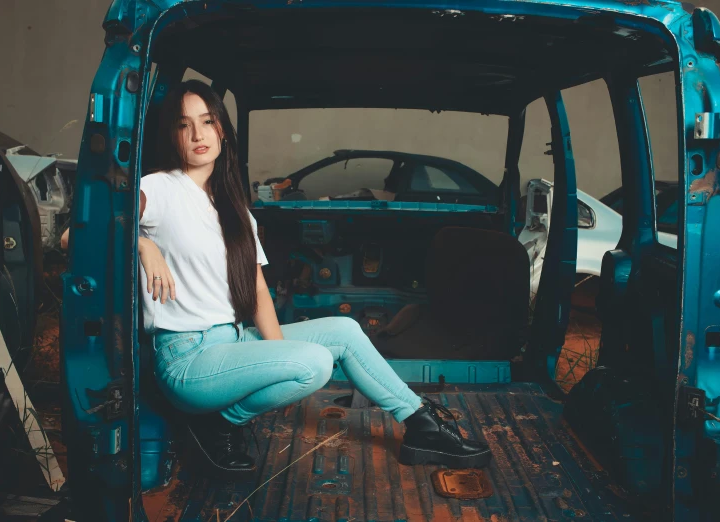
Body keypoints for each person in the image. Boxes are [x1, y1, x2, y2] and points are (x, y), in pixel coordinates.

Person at [87, 79, 491, 479]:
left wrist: (277, 357)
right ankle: (220, 423)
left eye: (207, 121)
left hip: (234, 341)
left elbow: (258, 288)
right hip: (187, 359)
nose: (197, 134)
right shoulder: (158, 189)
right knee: (313, 363)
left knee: (345, 332)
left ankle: (420, 423)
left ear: (222, 130)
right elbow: (81, 232)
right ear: (172, 135)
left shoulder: (234, 209)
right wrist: (142, 244)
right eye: (183, 124)